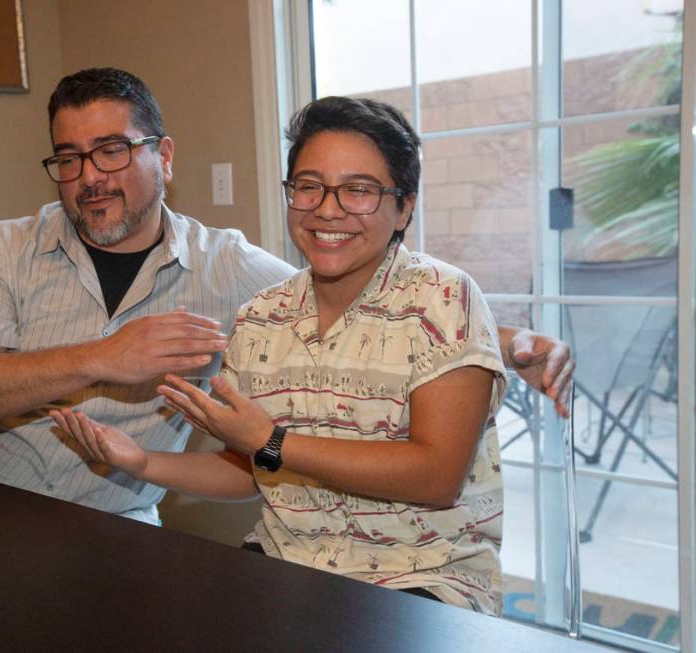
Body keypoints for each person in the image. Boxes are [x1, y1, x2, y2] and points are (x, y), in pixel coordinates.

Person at [0, 67, 573, 528]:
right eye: (69, 157)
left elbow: (357, 295)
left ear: (164, 156)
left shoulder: (227, 266)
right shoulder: (3, 247)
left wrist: (509, 340)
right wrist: (102, 356)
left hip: (113, 522)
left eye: (111, 151)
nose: (89, 176)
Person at [50, 96, 517, 616]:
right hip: (284, 563)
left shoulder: (443, 297)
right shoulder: (259, 318)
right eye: (309, 186)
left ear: (404, 205)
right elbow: (249, 470)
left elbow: (434, 475)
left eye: (358, 190)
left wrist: (272, 443)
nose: (327, 208)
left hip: (423, 580)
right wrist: (140, 461)